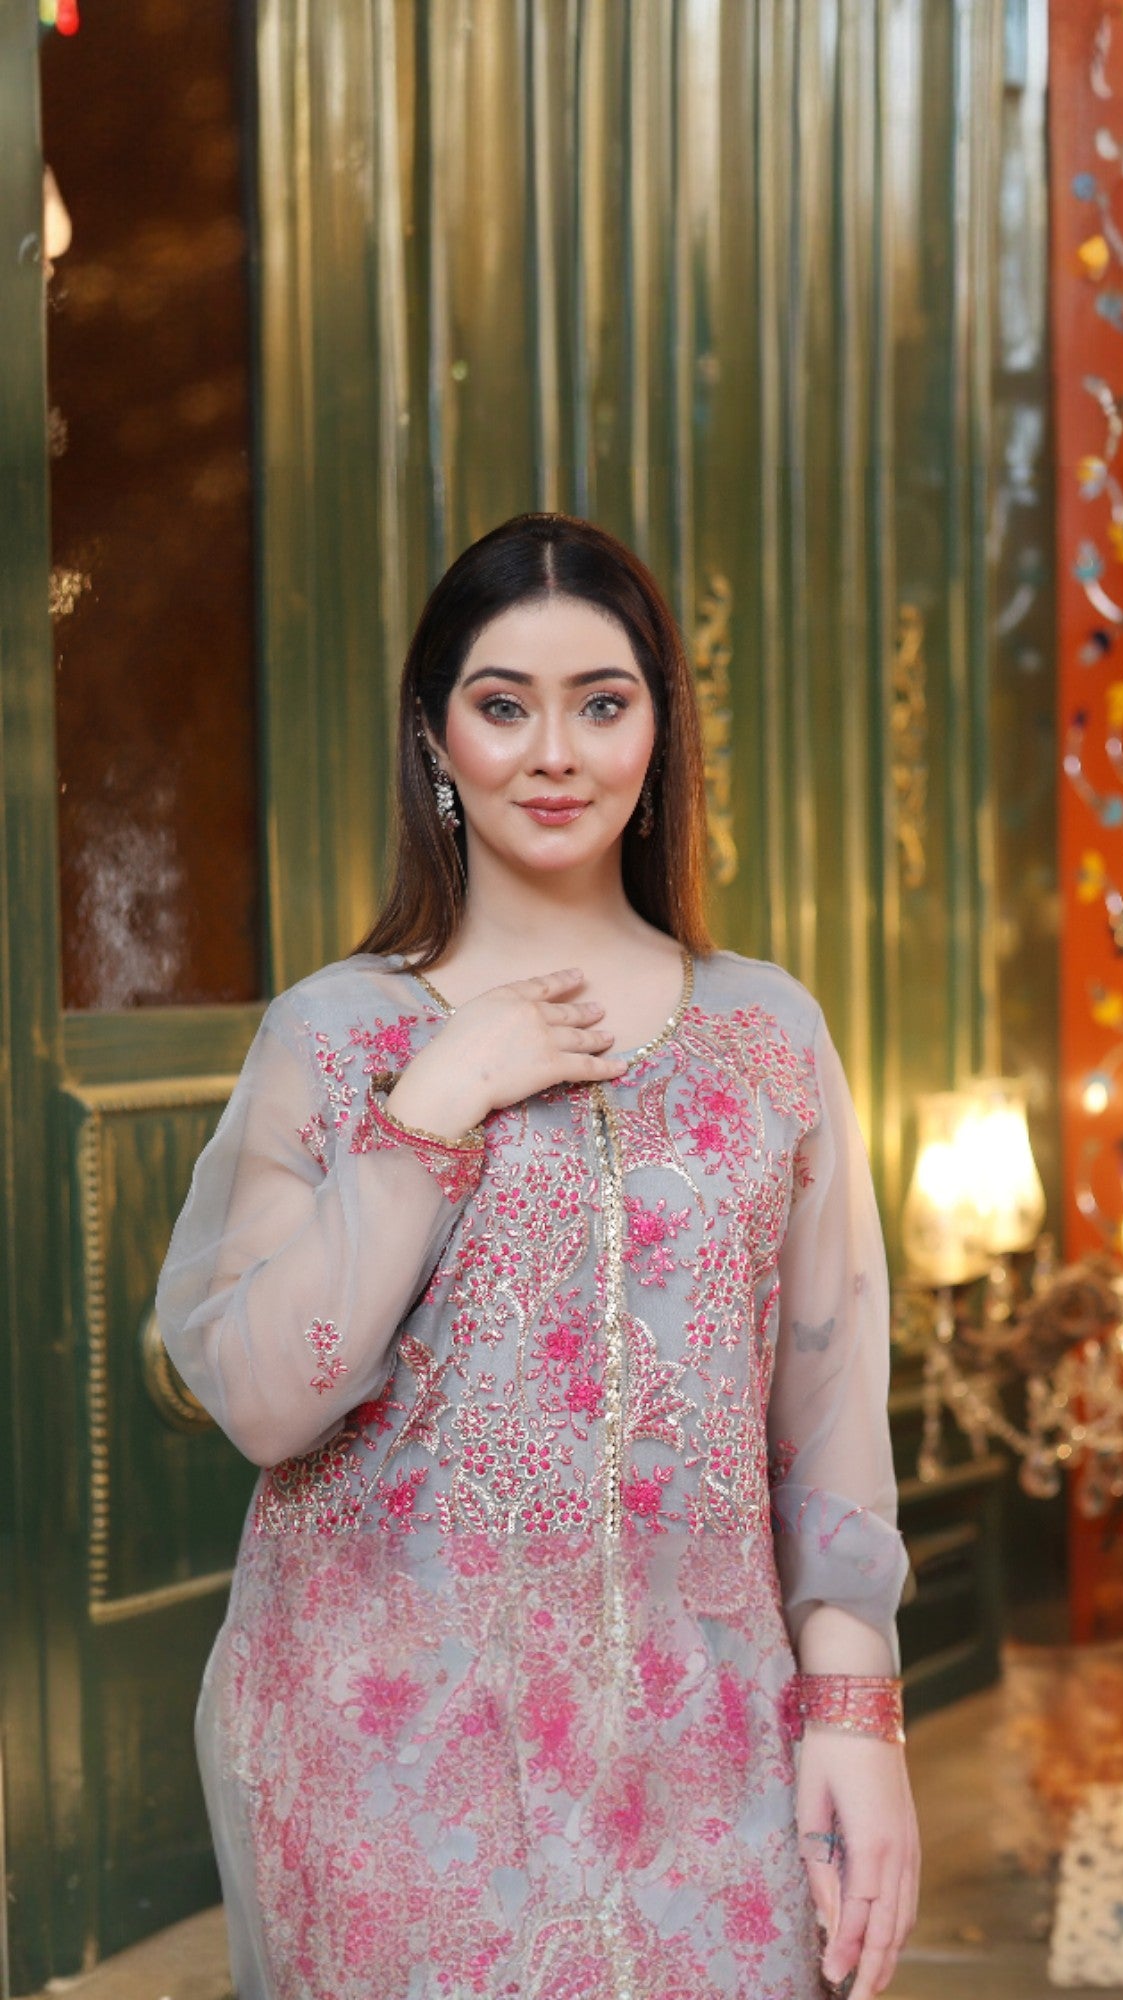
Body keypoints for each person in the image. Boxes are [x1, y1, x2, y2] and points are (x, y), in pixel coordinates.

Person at [155, 513, 919, 2000]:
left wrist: (855, 1711)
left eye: (602, 703)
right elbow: (261, 1398)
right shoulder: (339, 1036)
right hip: (390, 1773)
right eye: (503, 705)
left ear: (658, 732)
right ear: (435, 738)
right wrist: (435, 1102)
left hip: (711, 1758)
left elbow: (829, 1411)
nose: (554, 753)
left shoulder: (768, 1036)